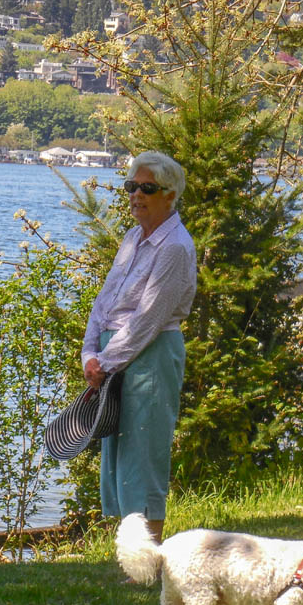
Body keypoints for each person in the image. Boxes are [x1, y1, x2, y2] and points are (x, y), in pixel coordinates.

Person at [81, 151, 197, 545]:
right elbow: (106, 301)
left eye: (147, 188)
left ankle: (148, 557)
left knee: (144, 450)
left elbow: (149, 317)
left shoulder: (175, 247)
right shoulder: (133, 238)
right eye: (132, 186)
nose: (136, 195)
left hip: (152, 352)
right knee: (117, 451)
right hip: (117, 354)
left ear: (170, 194)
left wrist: (106, 361)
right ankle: (131, 553)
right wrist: (90, 353)